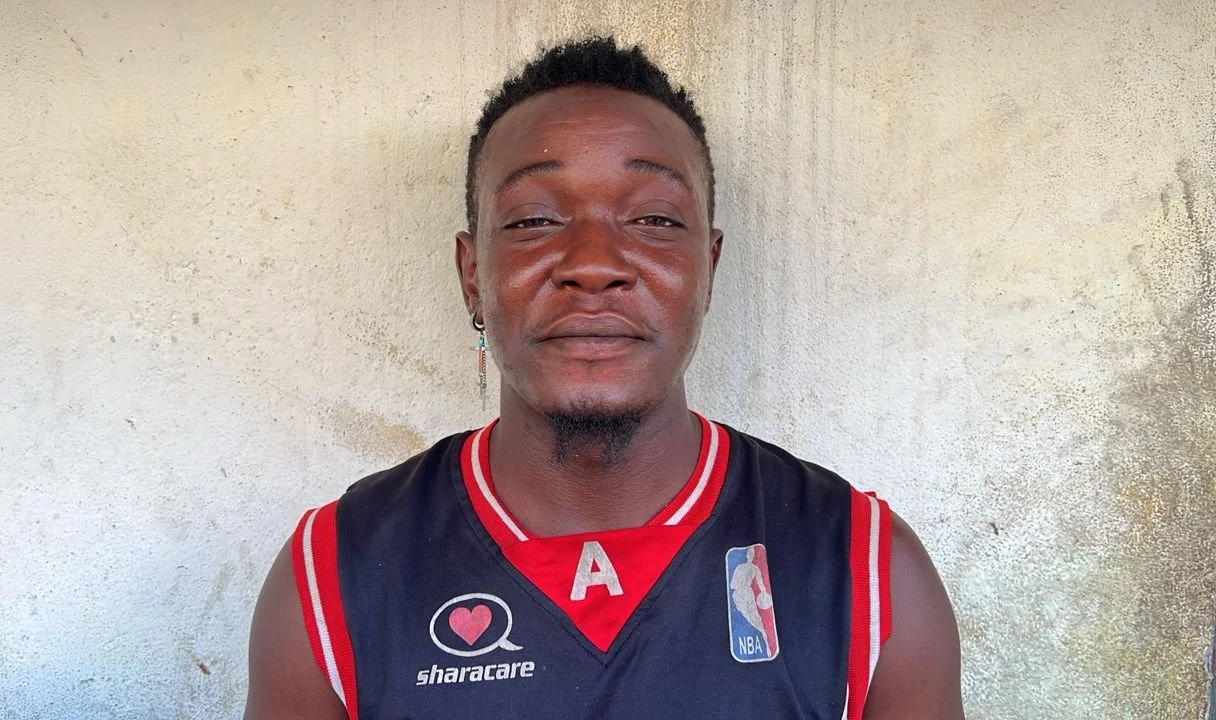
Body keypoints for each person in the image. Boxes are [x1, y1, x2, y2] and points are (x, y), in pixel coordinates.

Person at [245, 36, 963, 720]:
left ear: (708, 269)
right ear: (472, 275)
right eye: (533, 221)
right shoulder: (332, 578)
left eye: (652, 218)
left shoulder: (868, 571)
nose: (593, 263)